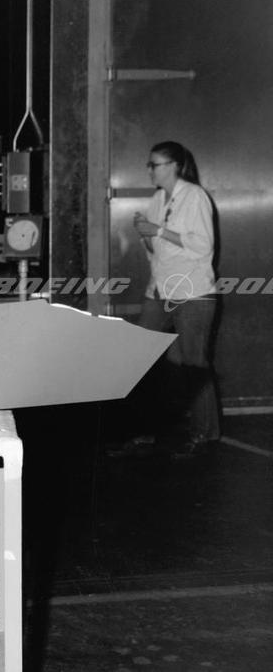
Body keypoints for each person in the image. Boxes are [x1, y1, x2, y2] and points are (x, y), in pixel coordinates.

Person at [132, 140, 220, 455]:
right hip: (160, 288)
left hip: (192, 291)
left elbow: (202, 246)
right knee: (141, 356)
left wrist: (157, 230)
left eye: (154, 164)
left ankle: (204, 433)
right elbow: (156, 251)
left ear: (174, 166)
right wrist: (145, 233)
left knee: (192, 362)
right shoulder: (157, 199)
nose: (150, 170)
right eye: (150, 164)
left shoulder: (195, 196)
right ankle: (144, 428)